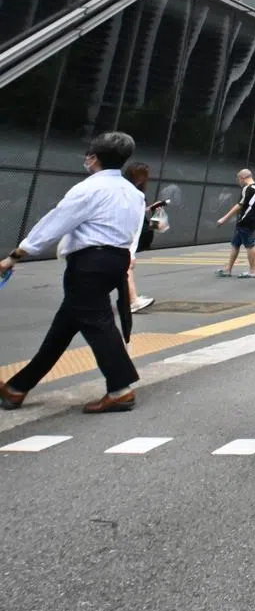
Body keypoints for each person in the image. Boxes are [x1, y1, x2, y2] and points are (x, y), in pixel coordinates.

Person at [0, 132, 146, 414]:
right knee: (63, 327)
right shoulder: (134, 194)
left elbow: (54, 223)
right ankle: (18, 387)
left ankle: (121, 390)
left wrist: (15, 256)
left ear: (93, 158)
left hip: (89, 264)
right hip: (116, 260)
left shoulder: (88, 189)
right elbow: (134, 233)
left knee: (99, 323)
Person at [122, 161, 162, 314]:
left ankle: (132, 299)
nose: (146, 179)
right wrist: (131, 251)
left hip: (127, 239)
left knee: (123, 269)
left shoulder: (131, 192)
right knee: (126, 269)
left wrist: (150, 209)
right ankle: (133, 300)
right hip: (127, 239)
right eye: (143, 175)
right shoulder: (134, 193)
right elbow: (134, 221)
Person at [216, 169, 255, 277]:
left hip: (245, 221)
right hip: (252, 220)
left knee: (249, 245)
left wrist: (224, 218)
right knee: (235, 244)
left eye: (239, 179)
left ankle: (253, 271)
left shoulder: (247, 188)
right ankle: (228, 269)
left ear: (243, 177)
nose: (239, 182)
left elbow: (239, 205)